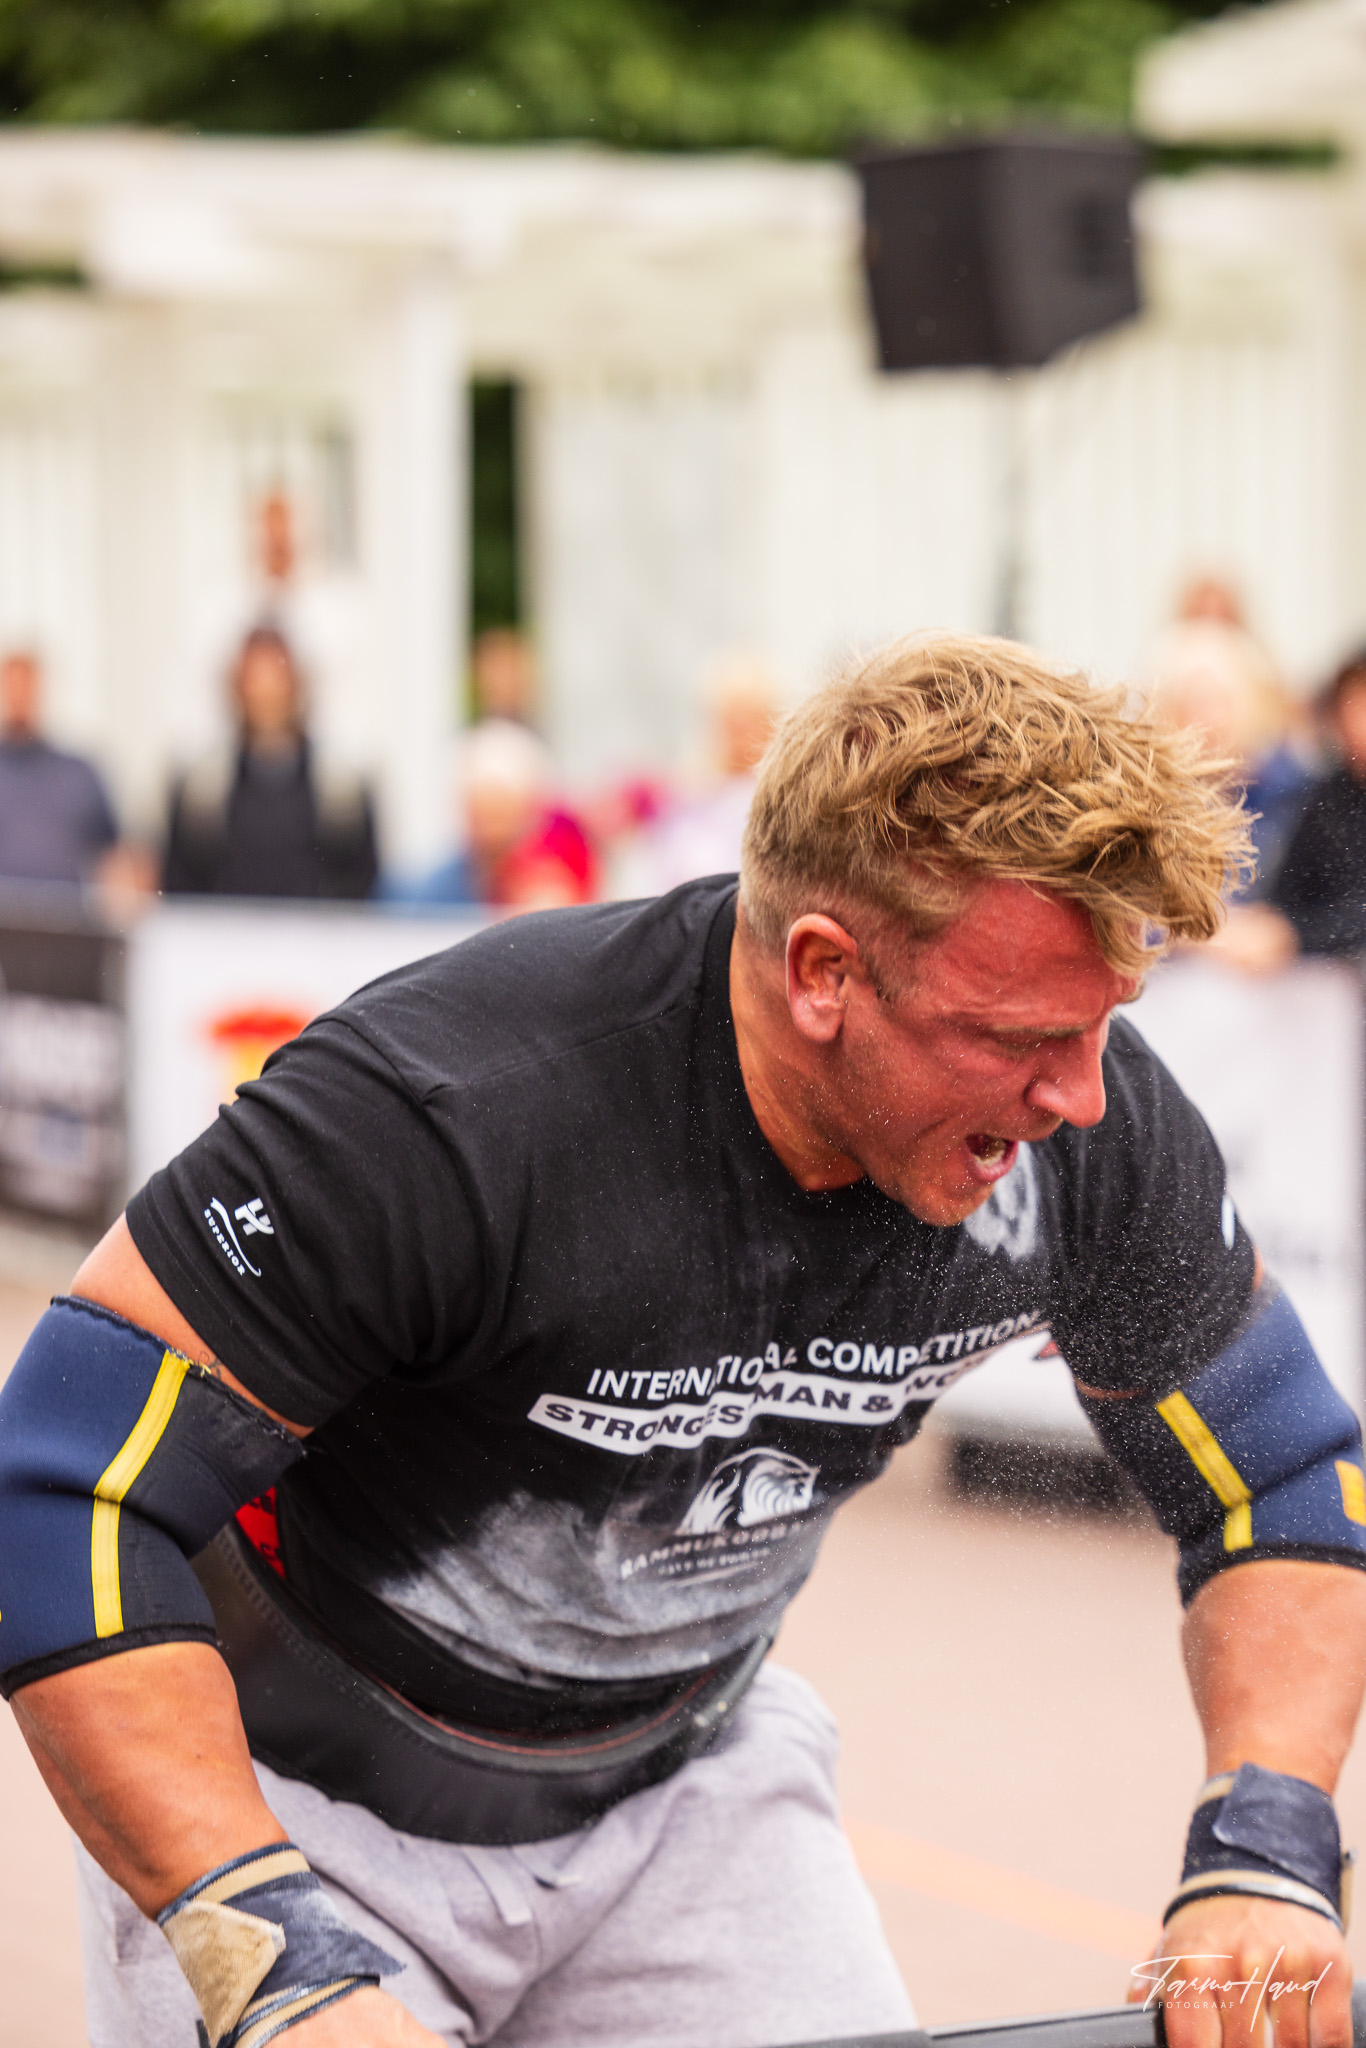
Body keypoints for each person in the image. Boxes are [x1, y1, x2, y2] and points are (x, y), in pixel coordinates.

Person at [2, 632, 1364, 2048]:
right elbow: (58, 1487)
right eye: (1017, 1035)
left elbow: (1279, 1478)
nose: (1080, 1097)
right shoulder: (456, 1109)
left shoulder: (1087, 1128)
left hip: (684, 1798)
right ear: (823, 972)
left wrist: (1266, 1844)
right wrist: (266, 1948)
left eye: (1101, 1028)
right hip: (299, 1811)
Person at [163, 626, 378, 901]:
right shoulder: (201, 791)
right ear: (236, 688)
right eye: (254, 681)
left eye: (276, 680)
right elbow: (180, 886)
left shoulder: (341, 790)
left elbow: (363, 887)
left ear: (297, 685)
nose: (266, 694)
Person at [617, 655, 779, 897]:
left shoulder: (780, 797)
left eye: (749, 717)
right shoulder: (686, 798)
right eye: (731, 719)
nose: (740, 730)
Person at [395, 718, 597, 912]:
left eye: (498, 815)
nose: (489, 832)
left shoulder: (549, 877)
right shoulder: (435, 890)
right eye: (478, 815)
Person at [0, 649, 119, 890]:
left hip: (65, 910)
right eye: (13, 686)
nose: (20, 696)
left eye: (27, 685)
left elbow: (118, 855)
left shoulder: (78, 775)